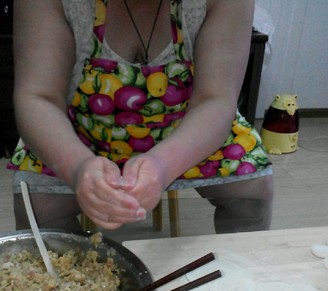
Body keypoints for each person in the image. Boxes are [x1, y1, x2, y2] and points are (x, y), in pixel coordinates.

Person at [8, 0, 273, 233]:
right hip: (79, 134)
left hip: (187, 130)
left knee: (253, 193)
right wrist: (77, 167)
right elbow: (38, 97)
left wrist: (162, 165)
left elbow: (215, 100)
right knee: (36, 208)